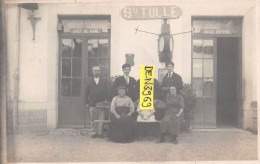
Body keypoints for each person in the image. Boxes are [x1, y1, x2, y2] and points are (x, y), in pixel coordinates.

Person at [86, 66, 110, 138]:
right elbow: (86, 92)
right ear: (92, 72)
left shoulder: (104, 80)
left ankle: (100, 132)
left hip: (102, 103)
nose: (97, 72)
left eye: (98, 70)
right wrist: (86, 103)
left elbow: (108, 91)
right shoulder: (89, 81)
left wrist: (107, 99)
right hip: (92, 103)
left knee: (101, 119)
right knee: (93, 119)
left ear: (100, 72)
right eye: (95, 70)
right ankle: (93, 132)